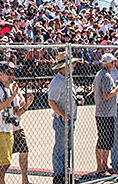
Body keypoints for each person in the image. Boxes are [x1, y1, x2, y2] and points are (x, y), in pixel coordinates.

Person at [0, 61, 30, 184]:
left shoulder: (12, 89)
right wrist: (12, 96)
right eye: (9, 73)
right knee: (5, 163)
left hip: (8, 129)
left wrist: (26, 105)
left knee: (3, 163)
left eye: (13, 73)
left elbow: (16, 112)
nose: (12, 76)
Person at [47, 53, 81, 184]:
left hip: (70, 117)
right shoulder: (57, 81)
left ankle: (66, 172)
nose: (74, 66)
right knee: (60, 147)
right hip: (62, 119)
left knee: (68, 147)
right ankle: (58, 174)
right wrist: (62, 114)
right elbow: (51, 101)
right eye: (72, 64)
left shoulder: (68, 80)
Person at [92, 53, 118, 176]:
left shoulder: (99, 75)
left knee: (105, 140)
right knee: (105, 141)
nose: (114, 64)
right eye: (113, 62)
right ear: (109, 63)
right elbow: (106, 95)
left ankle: (103, 165)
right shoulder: (106, 76)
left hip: (102, 112)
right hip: (106, 113)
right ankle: (102, 166)